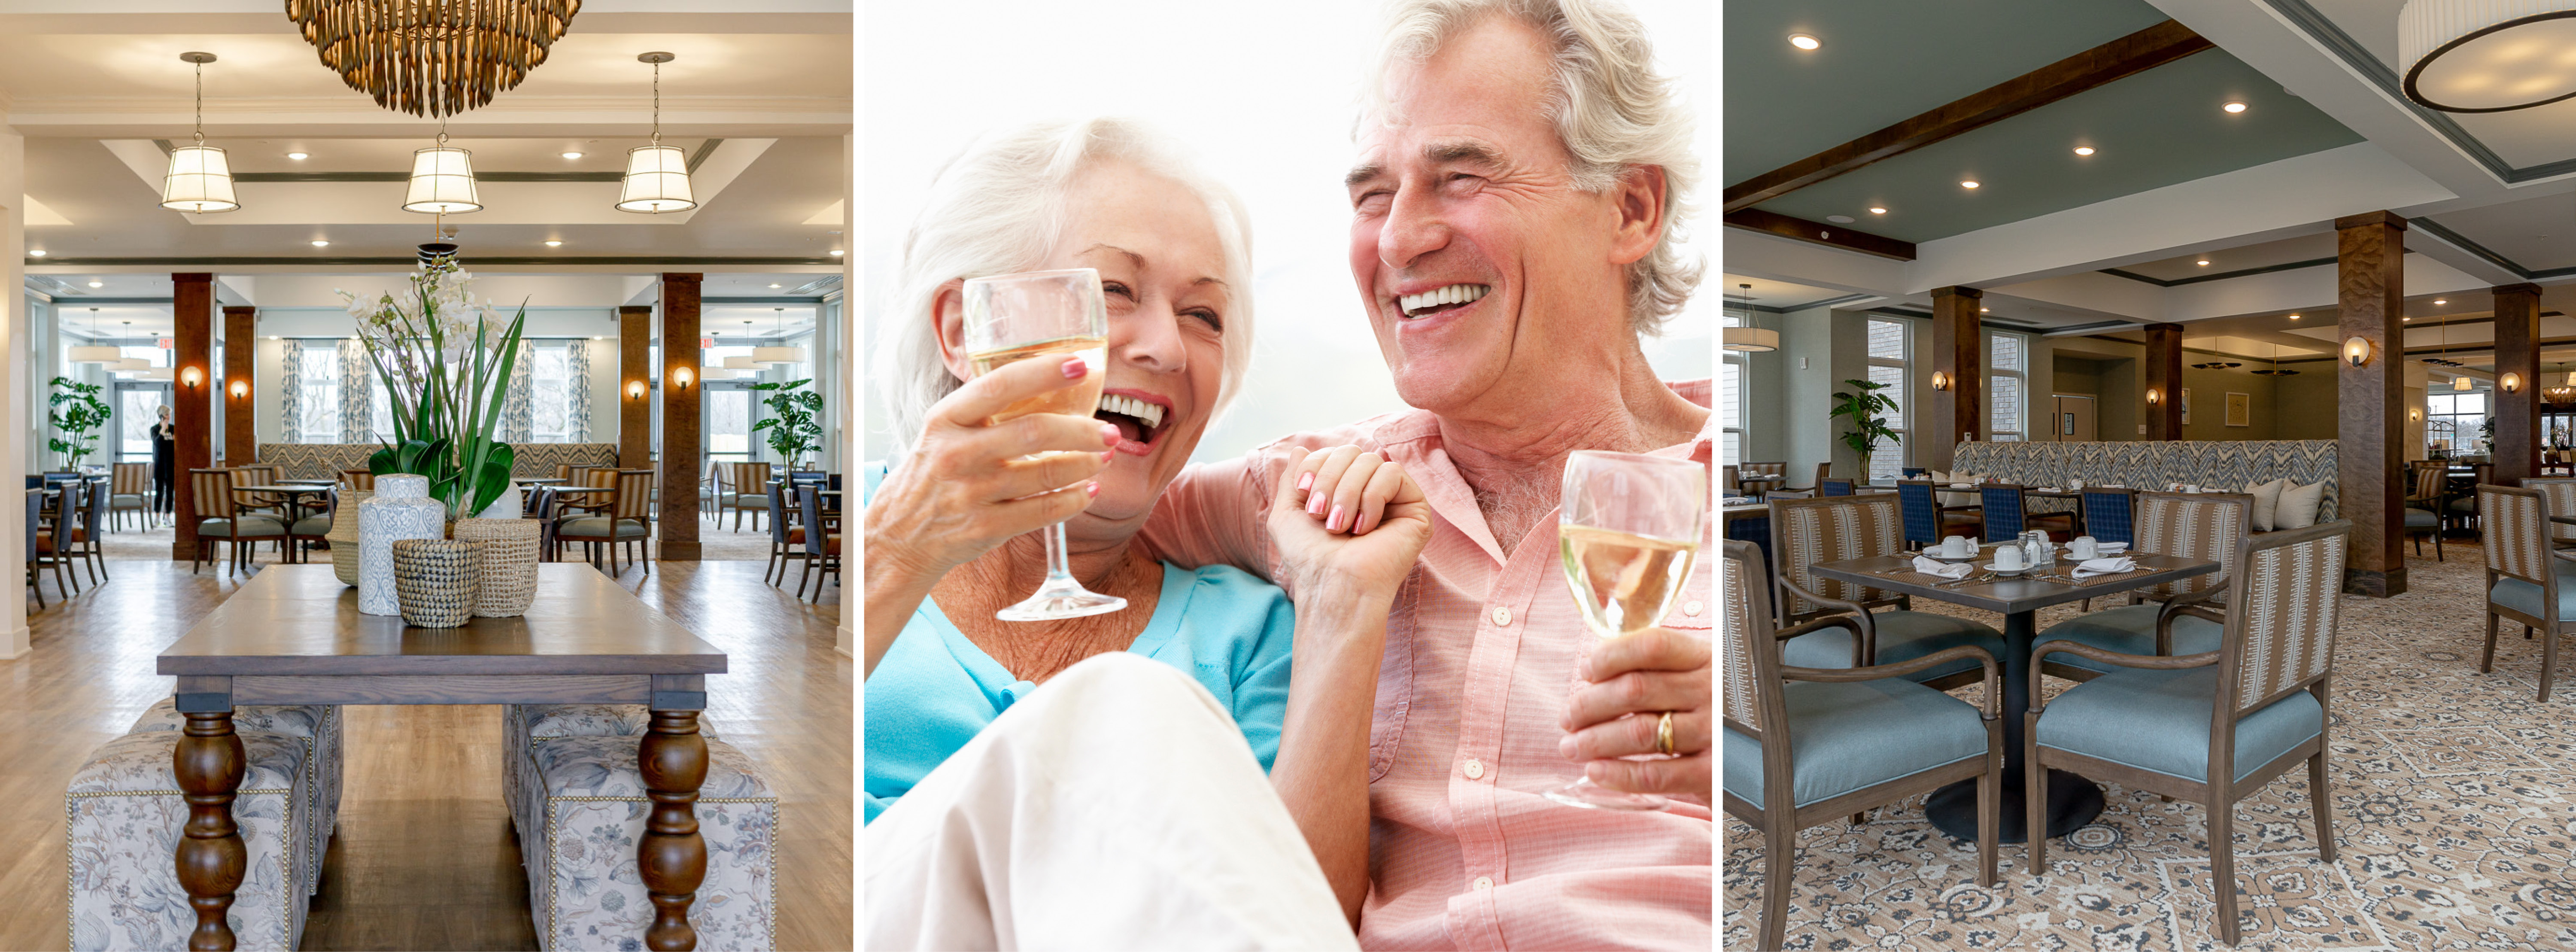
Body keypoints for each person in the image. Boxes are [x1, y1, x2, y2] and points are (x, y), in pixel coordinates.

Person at [1139, 0, 1715, 946]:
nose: (1401, 238)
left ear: (1630, 207)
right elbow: (1052, 521)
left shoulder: (1723, 493)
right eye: (1373, 195)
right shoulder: (1317, 490)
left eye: (1462, 177)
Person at [861, 118, 1434, 949]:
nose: (1166, 345)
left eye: (1204, 314)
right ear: (966, 329)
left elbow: (1299, 911)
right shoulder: (862, 544)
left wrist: (1343, 607)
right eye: (1112, 292)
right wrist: (900, 553)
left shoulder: (1248, 628)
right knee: (1128, 699)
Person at [150, 404, 176, 526]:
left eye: (169, 414)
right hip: (159, 465)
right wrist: (163, 430)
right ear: (161, 416)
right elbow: (158, 444)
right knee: (159, 492)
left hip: (171, 464)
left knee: (170, 492)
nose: (169, 417)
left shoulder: (174, 429)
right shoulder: (154, 429)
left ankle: (168, 517)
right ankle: (157, 518)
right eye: (166, 415)